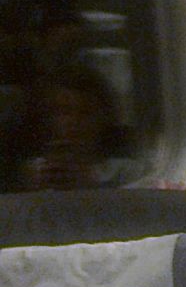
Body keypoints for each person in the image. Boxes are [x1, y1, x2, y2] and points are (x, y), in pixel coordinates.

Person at [6, 64, 149, 192]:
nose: (74, 120)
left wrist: (95, 182)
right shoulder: (32, 172)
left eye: (86, 112)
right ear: (49, 116)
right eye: (64, 111)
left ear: (104, 117)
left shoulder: (125, 172)